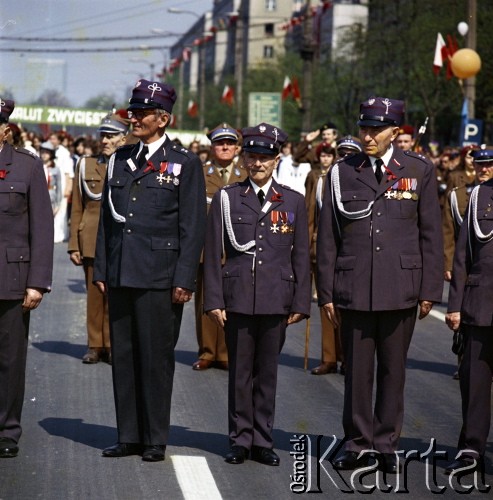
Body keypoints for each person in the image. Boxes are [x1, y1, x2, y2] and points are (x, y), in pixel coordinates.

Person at [316, 97, 443, 474]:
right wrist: (326, 292)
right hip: (353, 286)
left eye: (377, 129)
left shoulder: (419, 170)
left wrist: (429, 291)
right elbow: (327, 239)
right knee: (356, 371)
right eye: (365, 128)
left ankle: (386, 443)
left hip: (401, 285)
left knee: (393, 370)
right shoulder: (341, 172)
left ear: (396, 132)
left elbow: (431, 235)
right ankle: (357, 443)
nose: (368, 136)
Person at [93, 80, 206, 462]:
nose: (134, 118)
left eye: (142, 113)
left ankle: (155, 438)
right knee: (123, 355)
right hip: (122, 272)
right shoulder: (120, 159)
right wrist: (103, 271)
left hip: (160, 277)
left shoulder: (184, 163)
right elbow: (109, 223)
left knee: (156, 359)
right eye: (133, 112)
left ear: (163, 119)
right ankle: (129, 435)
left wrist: (184, 279)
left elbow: (193, 227)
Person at [204, 122, 311, 466]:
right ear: (244, 158)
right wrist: (215, 299)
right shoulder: (227, 197)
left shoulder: (293, 201)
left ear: (277, 159)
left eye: (265, 157)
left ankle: (263, 440)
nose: (258, 163)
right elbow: (213, 251)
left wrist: (300, 302)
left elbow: (301, 256)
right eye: (252, 156)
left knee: (267, 373)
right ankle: (239, 439)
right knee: (240, 373)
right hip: (237, 297)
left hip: (275, 298)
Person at [0, 99, 54, 459]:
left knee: (8, 358)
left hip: (11, 278)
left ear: (5, 129)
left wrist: (37, 282)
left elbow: (42, 228)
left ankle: (6, 429)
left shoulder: (26, 166)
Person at [444, 147, 493, 476]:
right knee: (474, 383)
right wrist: (455, 304)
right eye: (483, 164)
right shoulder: (477, 198)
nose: (485, 168)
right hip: (481, 304)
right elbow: (462, 256)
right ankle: (471, 447)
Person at [68, 112, 130, 364]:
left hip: (120, 240)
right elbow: (77, 206)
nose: (105, 140)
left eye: (111, 136)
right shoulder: (86, 164)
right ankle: (95, 344)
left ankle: (113, 344)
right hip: (92, 237)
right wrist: (74, 244)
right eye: (103, 135)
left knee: (115, 296)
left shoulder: (129, 165)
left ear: (123, 138)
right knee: (95, 295)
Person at [193, 123, 247, 371]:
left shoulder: (247, 175)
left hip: (238, 248)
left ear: (237, 147)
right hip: (206, 248)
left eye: (229, 143)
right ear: (212, 146)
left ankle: (226, 352)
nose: (224, 147)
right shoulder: (199, 173)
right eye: (219, 143)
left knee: (233, 300)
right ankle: (207, 351)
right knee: (206, 298)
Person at [309, 137, 362, 376]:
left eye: (351, 153)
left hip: (354, 251)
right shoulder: (321, 180)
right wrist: (308, 247)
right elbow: (310, 216)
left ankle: (349, 358)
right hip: (326, 249)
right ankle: (329, 357)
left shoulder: (365, 180)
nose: (345, 157)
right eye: (342, 153)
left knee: (352, 307)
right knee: (327, 303)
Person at [49, 131, 74, 243]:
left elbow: (69, 172)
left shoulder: (64, 153)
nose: (52, 141)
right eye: (51, 139)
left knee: (62, 210)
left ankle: (61, 234)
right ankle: (53, 233)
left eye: (54, 139)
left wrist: (68, 187)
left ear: (58, 140)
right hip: (52, 183)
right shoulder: (49, 151)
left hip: (62, 183)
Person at [39, 141, 63, 217]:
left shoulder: (55, 169)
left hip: (51, 197)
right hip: (39, 198)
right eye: (42, 152)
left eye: (47, 153)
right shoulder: (37, 167)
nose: (44, 155)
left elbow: (59, 188)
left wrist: (58, 205)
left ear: (51, 154)